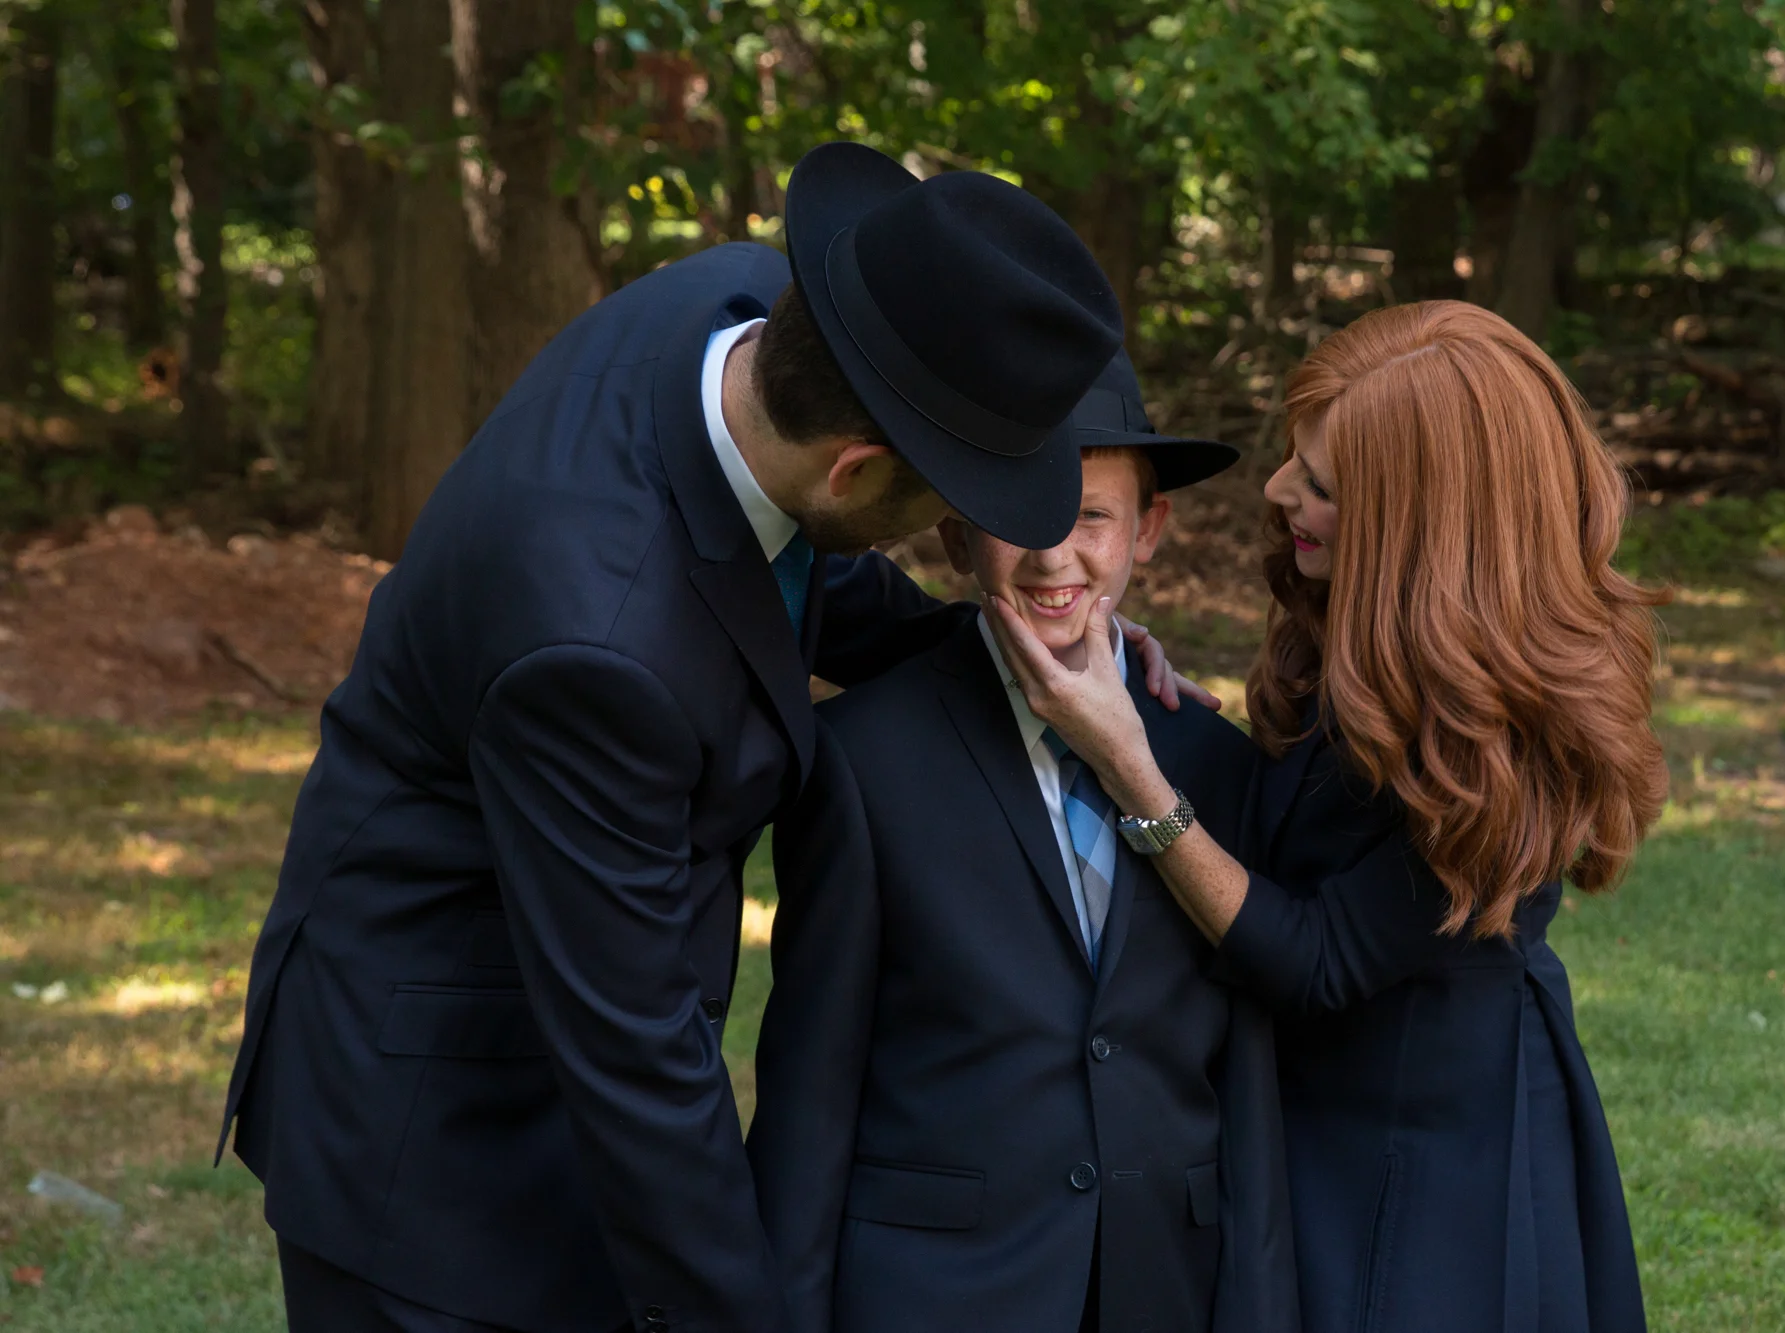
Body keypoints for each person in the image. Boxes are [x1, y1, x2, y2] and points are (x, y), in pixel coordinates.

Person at [215, 141, 1207, 1333]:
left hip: (566, 1001)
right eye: (940, 502)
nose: (951, 530)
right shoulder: (596, 647)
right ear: (854, 469)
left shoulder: (742, 315)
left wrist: (1037, 658)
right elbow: (637, 1061)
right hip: (437, 1136)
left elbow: (801, 570)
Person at [992, 300, 1665, 1332]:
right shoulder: (1368, 611)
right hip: (1301, 1099)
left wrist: (1133, 769)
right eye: (1293, 461)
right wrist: (1119, 660)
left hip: (1427, 1145)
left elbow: (1314, 957)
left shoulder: (1514, 730)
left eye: (1319, 485)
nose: (1276, 492)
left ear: (1419, 527)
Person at [747, 350, 1296, 1333]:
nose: (1053, 556)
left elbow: (1246, 1091)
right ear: (956, 533)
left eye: (1090, 516)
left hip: (1161, 1284)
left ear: (1148, 529)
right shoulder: (863, 762)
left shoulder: (1218, 767)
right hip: (935, 1294)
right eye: (1017, 513)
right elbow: (810, 1094)